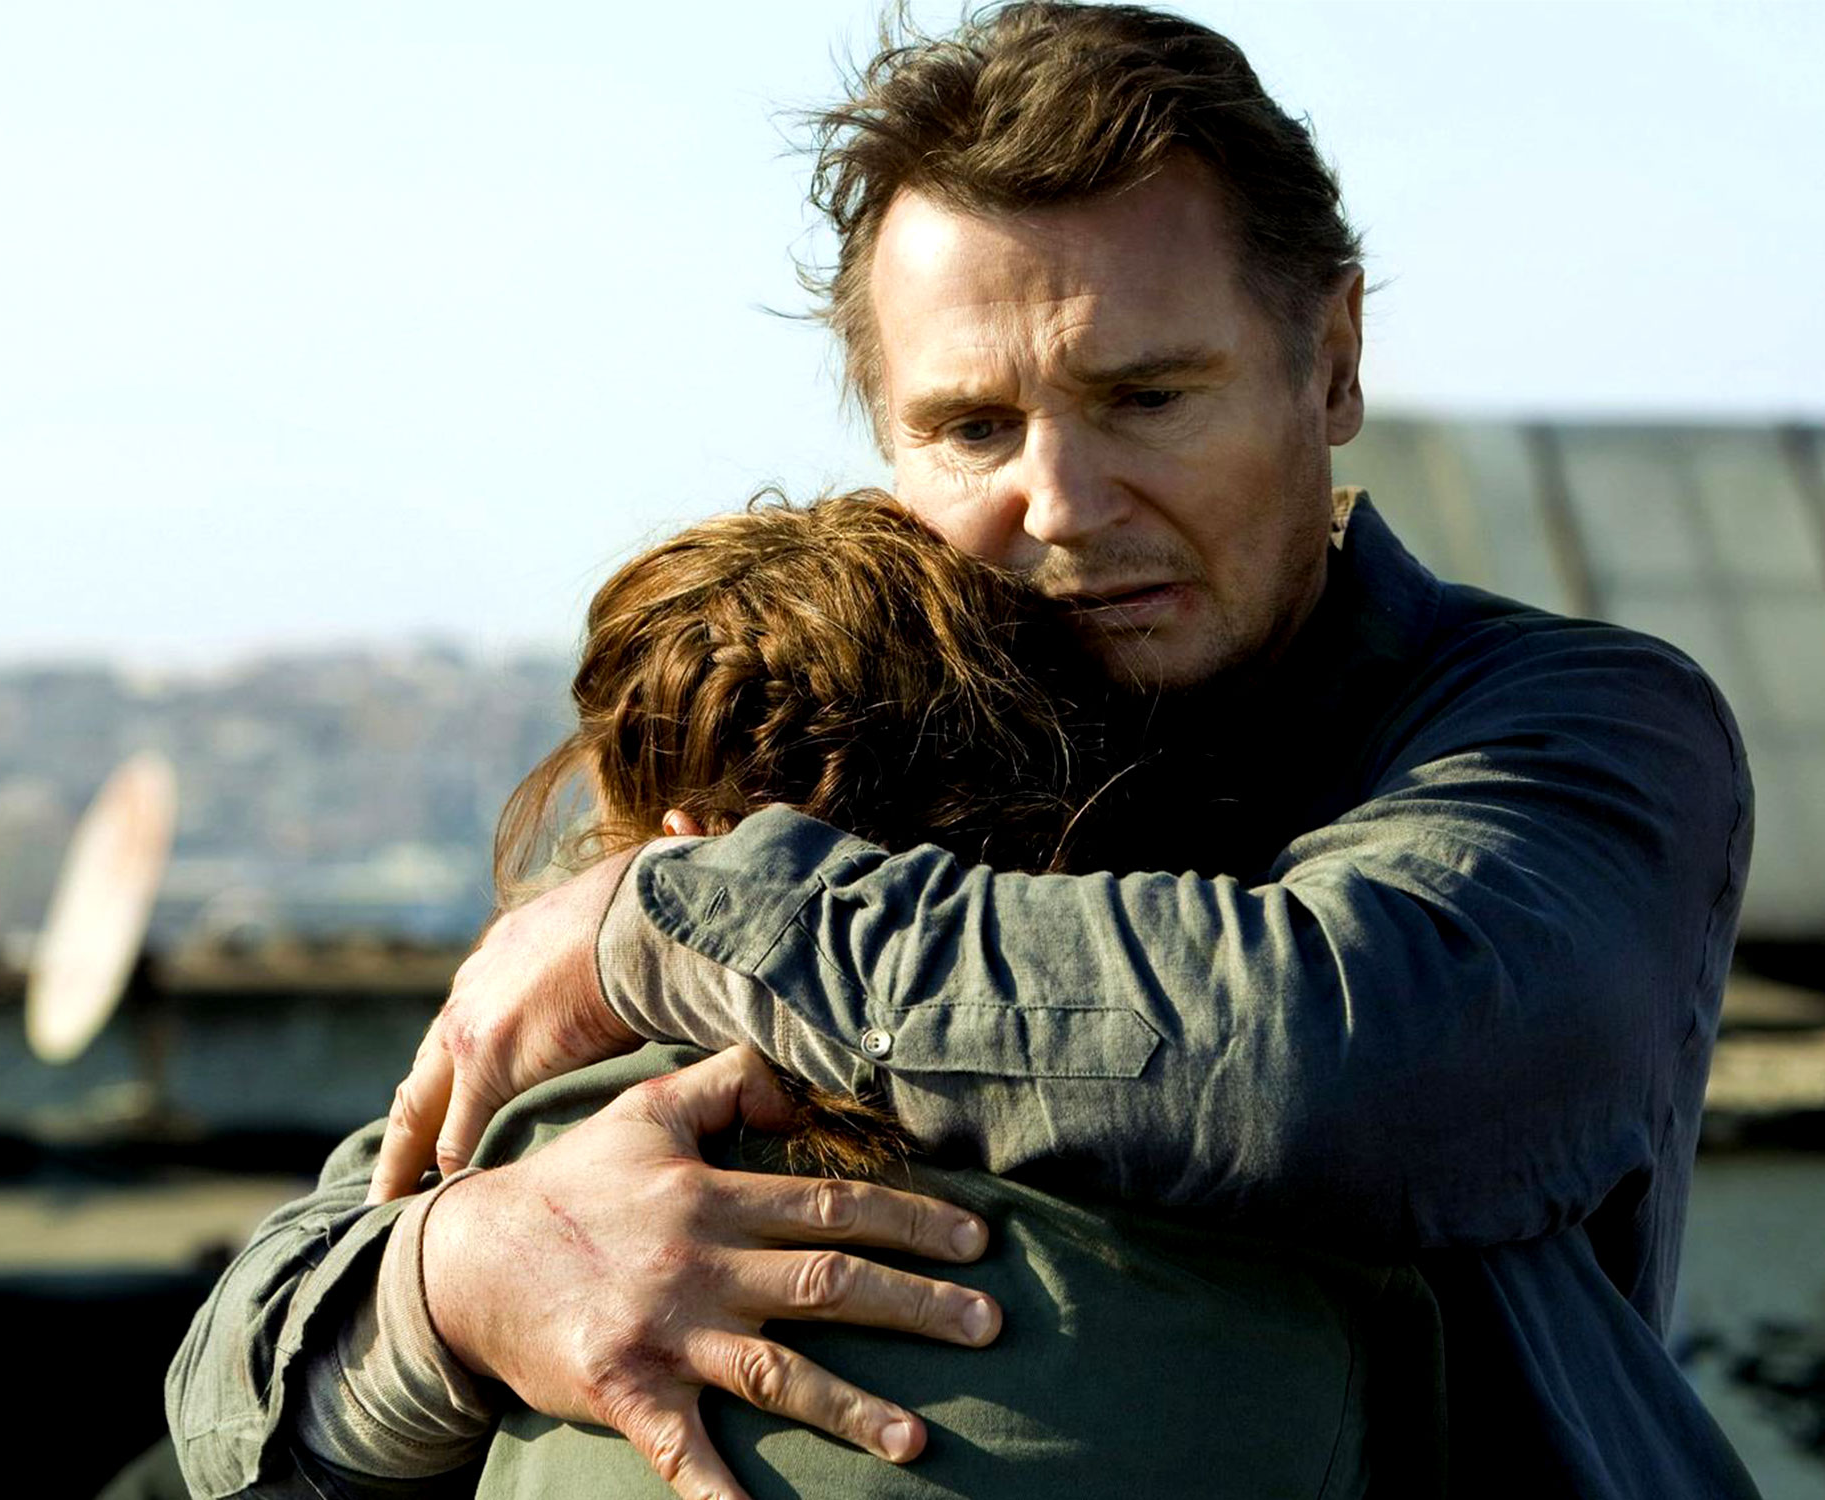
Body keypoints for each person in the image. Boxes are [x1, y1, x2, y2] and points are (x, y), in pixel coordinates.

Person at [176, 5, 1760, 1497]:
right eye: (973, 429)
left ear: (1333, 359)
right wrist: (461, 1281)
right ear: (888, 435)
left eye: (1148, 397)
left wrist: (682, 929)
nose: (1059, 503)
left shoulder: (1566, 727)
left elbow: (1348, 1059)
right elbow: (248, 1366)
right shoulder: (834, 756)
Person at [171, 492, 1442, 1498]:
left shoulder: (530, 1134)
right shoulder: (1312, 1216)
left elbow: (222, 1422)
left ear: (674, 854)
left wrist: (447, 1276)